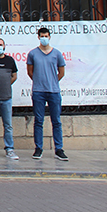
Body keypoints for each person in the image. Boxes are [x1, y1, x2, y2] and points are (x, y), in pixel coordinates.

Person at [27, 27, 67, 161]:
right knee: (38, 120)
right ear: (38, 37)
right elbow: (30, 72)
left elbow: (61, 72)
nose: (44, 38)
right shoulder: (33, 54)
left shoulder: (57, 54)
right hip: (38, 91)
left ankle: (59, 149)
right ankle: (38, 148)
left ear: (50, 37)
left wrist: (52, 81)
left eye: (46, 35)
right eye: (42, 36)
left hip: (54, 91)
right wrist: (39, 81)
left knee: (56, 121)